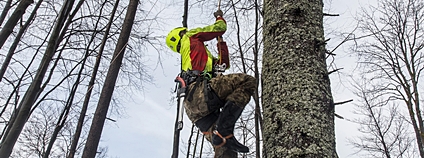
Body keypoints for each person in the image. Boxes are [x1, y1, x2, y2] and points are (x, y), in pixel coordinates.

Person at [166, 9, 256, 155]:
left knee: (224, 147)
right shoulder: (190, 36)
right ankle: (224, 129)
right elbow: (220, 27)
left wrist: (221, 44)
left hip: (193, 108)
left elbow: (223, 64)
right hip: (200, 92)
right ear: (181, 33)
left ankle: (223, 133)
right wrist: (219, 17)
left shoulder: (194, 56)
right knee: (247, 81)